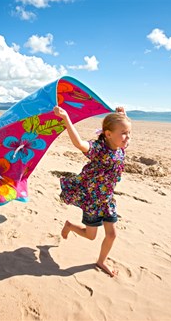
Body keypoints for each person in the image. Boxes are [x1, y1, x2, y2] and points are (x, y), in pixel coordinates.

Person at [54, 105, 131, 277]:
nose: (128, 137)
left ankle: (101, 261)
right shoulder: (98, 149)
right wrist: (66, 118)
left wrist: (122, 117)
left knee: (111, 234)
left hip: (107, 199)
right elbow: (78, 143)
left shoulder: (120, 148)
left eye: (129, 133)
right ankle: (70, 226)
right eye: (124, 133)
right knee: (91, 236)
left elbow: (124, 135)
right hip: (92, 200)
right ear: (109, 134)